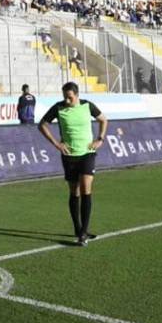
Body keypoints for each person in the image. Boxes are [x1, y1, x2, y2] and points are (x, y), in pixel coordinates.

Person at [38, 82, 107, 246]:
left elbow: (103, 120)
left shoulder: (87, 106)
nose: (67, 101)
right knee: (74, 191)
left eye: (70, 98)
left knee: (86, 188)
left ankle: (83, 233)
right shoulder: (58, 108)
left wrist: (100, 139)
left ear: (77, 95)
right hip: (69, 156)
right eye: (65, 98)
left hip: (87, 154)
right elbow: (42, 125)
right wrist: (56, 144)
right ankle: (78, 229)